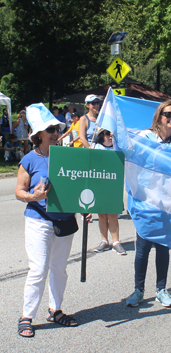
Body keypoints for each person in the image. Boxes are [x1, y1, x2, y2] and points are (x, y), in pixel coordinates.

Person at [14, 104, 81, 338]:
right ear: (38, 134)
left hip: (65, 221)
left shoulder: (68, 157)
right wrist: (33, 196)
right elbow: (19, 192)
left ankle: (56, 310)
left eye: (56, 128)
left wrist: (86, 208)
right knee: (38, 269)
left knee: (59, 269)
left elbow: (79, 184)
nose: (55, 132)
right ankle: (26, 316)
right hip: (38, 221)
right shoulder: (29, 160)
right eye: (50, 129)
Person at [125, 101, 171, 308]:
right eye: (168, 114)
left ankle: (161, 290)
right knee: (143, 248)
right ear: (159, 116)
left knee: (163, 248)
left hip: (168, 203)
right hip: (145, 200)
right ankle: (138, 291)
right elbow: (129, 155)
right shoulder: (145, 138)